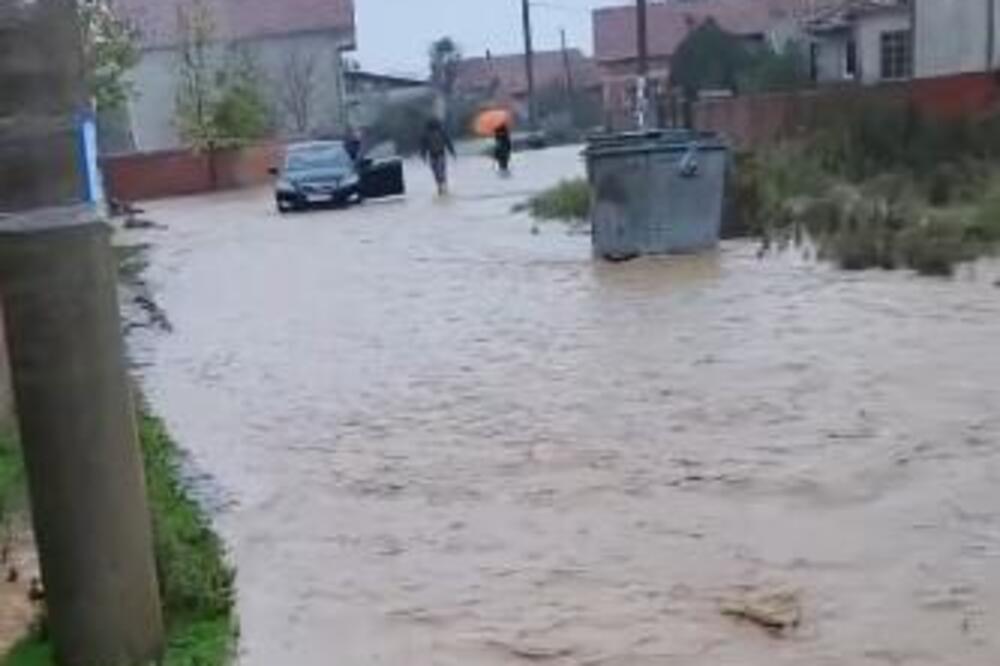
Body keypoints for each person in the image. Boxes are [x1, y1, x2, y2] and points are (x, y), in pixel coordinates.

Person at [420, 118, 456, 195]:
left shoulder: (442, 133)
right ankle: (440, 187)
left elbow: (448, 143)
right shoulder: (427, 135)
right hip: (434, 155)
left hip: (440, 155)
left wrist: (452, 152)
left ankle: (443, 186)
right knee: (437, 172)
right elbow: (424, 147)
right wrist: (423, 156)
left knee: (440, 172)